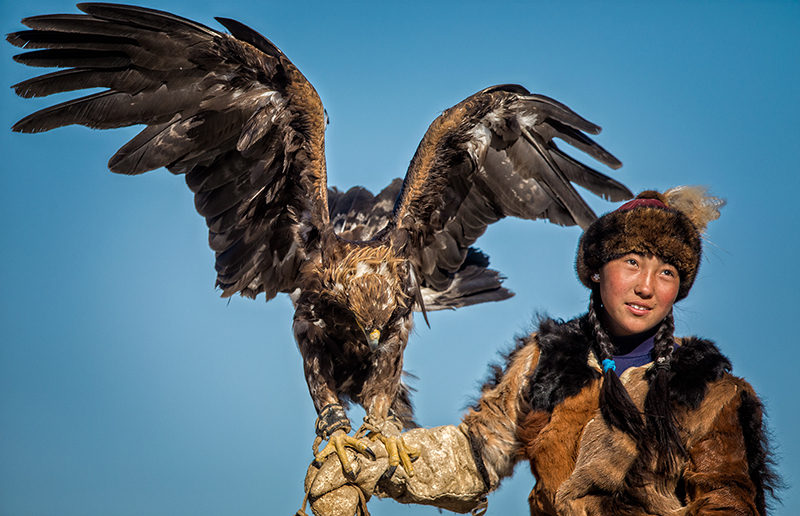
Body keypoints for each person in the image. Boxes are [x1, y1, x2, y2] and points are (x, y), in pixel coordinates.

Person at [300, 186, 780, 516]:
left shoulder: (708, 391)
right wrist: (384, 462)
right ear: (598, 269)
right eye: (632, 262)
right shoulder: (545, 361)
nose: (646, 287)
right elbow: (475, 457)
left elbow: (728, 505)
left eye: (667, 273)